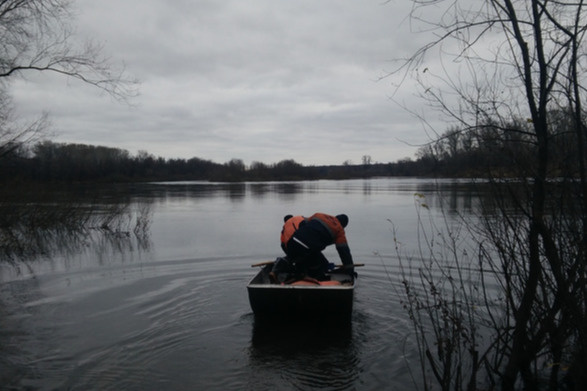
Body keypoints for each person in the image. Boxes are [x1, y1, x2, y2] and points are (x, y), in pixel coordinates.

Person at [284, 212, 354, 280]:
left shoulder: (319, 215)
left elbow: (302, 223)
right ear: (343, 225)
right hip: (307, 249)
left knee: (296, 258)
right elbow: (344, 252)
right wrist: (350, 269)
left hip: (293, 241)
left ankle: (286, 271)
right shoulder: (339, 230)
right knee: (321, 267)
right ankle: (313, 278)